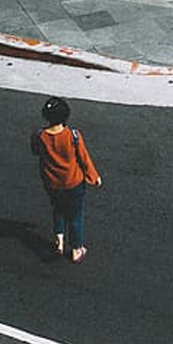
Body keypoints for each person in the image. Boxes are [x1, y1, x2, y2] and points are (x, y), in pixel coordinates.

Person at [31, 96, 103, 263]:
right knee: (75, 215)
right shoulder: (73, 135)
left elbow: (35, 152)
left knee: (58, 209)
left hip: (51, 182)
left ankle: (59, 242)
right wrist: (94, 176)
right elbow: (84, 159)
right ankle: (77, 249)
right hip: (73, 182)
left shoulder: (39, 135)